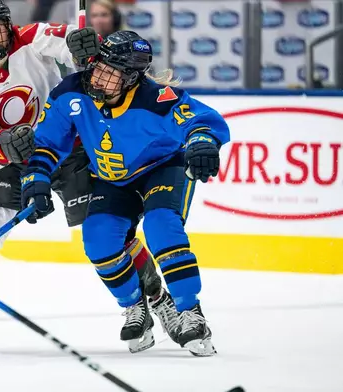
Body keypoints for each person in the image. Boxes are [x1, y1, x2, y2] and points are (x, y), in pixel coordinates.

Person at [0, 0, 178, 351]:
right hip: (17, 161)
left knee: (106, 229)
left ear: (9, 27)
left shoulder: (31, 38)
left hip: (69, 146)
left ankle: (151, 299)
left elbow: (64, 40)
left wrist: (80, 45)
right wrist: (4, 144)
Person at [20, 30, 228, 356]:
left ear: (132, 78)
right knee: (98, 238)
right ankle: (136, 309)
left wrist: (202, 142)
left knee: (161, 226)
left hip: (162, 169)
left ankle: (190, 311)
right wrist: (36, 177)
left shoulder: (156, 99)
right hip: (113, 179)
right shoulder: (72, 92)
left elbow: (202, 120)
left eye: (111, 73)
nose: (99, 77)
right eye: (99, 66)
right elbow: (47, 142)